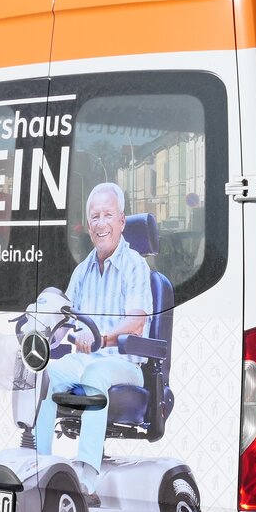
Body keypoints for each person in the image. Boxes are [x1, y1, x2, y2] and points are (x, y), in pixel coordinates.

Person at [35, 182, 153, 495]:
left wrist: (103, 336)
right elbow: (65, 318)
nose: (101, 224)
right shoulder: (81, 271)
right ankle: (39, 463)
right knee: (44, 376)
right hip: (87, 360)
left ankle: (87, 473)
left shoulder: (136, 267)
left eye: (107, 215)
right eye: (95, 217)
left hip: (125, 363)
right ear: (88, 225)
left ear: (122, 221)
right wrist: (43, 329)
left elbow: (137, 322)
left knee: (94, 374)